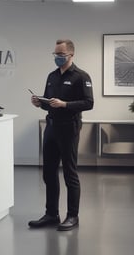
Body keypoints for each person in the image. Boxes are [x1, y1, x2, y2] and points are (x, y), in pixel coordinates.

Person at [28, 39, 93, 231]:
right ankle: (51, 214)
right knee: (49, 173)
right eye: (55, 54)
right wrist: (40, 102)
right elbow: (51, 102)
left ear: (71, 54)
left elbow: (89, 103)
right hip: (51, 128)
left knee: (69, 173)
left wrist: (65, 104)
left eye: (61, 54)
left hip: (69, 128)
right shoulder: (52, 76)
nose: (57, 57)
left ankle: (73, 216)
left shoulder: (81, 76)